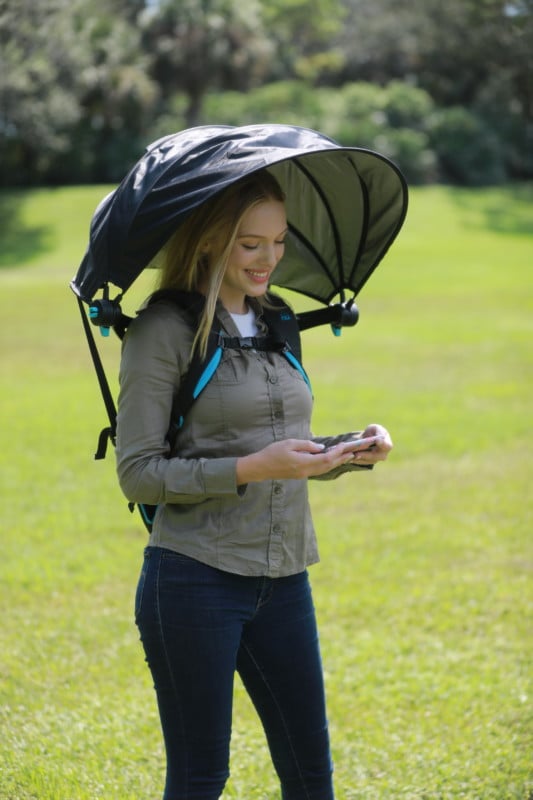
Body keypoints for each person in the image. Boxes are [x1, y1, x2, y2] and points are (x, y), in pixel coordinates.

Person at [115, 169, 393, 800]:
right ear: (210, 240)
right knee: (199, 778)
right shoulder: (163, 330)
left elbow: (282, 445)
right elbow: (138, 475)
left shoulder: (279, 323)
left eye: (280, 241)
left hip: (286, 580)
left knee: (310, 776)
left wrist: (350, 450)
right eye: (250, 244)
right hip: (194, 580)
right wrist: (250, 469)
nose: (269, 258)